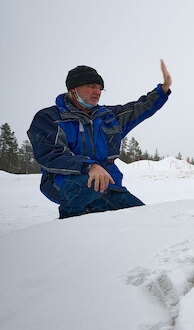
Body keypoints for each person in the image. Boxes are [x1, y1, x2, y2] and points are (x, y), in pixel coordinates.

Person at [28, 61, 172, 218]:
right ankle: (69, 222)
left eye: (100, 88)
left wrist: (163, 90)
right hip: (64, 181)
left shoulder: (108, 117)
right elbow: (51, 154)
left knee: (140, 216)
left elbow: (139, 108)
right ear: (73, 89)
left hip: (108, 184)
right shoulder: (50, 118)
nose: (97, 91)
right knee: (89, 185)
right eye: (91, 86)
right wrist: (89, 167)